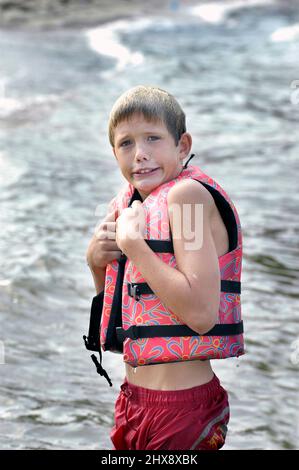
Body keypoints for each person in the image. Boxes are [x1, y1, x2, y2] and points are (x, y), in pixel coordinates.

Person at [85, 85, 244, 450]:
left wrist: (134, 247)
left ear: (182, 146)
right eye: (126, 143)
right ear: (114, 153)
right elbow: (126, 305)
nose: (139, 154)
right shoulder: (130, 205)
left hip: (183, 410)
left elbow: (202, 314)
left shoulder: (186, 198)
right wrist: (96, 263)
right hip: (132, 402)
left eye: (153, 138)